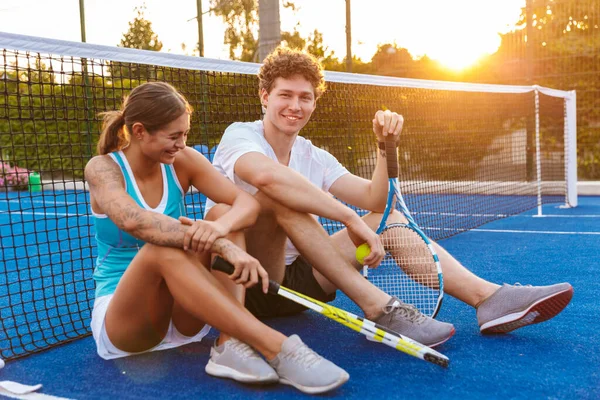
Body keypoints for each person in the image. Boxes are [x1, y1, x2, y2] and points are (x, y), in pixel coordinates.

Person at [205, 47, 573, 355]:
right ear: (265, 96)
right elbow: (266, 177)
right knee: (279, 198)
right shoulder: (240, 135)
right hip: (243, 282)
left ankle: (488, 299)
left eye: (306, 97)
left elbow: (374, 198)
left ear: (315, 102)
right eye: (285, 95)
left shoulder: (312, 155)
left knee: (388, 217)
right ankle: (380, 308)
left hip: (298, 280)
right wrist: (348, 217)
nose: (295, 106)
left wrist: (385, 146)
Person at [85, 81, 350, 394]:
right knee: (160, 250)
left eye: (185, 134)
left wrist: (220, 230)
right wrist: (221, 244)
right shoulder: (103, 169)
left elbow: (247, 204)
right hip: (129, 322)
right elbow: (137, 221)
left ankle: (229, 344)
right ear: (140, 131)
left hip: (186, 313)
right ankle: (277, 346)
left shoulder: (182, 161)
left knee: (224, 215)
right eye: (173, 136)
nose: (182, 144)